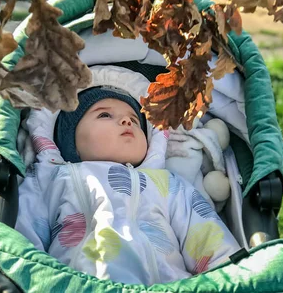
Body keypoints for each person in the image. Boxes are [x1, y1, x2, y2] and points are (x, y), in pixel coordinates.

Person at [15, 66, 240, 285]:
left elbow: (205, 235)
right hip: (80, 283)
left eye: (134, 119)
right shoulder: (51, 179)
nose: (126, 122)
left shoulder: (167, 184)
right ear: (69, 138)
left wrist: (233, 274)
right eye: (104, 115)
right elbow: (22, 240)